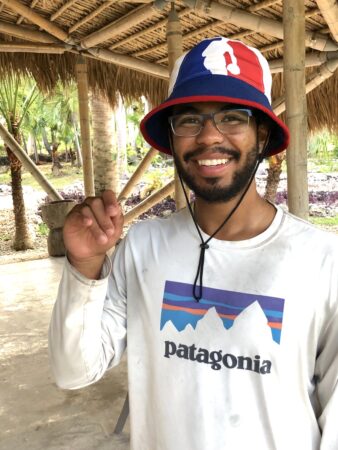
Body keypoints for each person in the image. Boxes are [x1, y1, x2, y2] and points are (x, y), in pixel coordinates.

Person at [48, 37, 338, 450]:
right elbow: (73, 372)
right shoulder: (144, 247)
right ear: (172, 138)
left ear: (262, 135)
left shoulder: (323, 262)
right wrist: (83, 266)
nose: (207, 137)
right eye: (189, 120)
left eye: (232, 118)